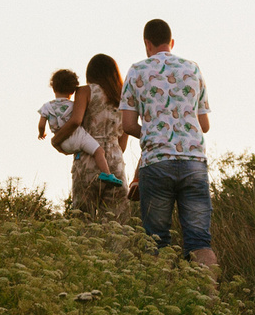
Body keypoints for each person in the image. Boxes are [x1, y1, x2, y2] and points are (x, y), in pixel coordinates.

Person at [119, 18, 215, 269]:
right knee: (199, 241)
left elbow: (127, 125)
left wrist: (154, 133)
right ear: (171, 43)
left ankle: (166, 299)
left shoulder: (137, 70)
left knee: (157, 242)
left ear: (147, 44)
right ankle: (209, 301)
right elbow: (203, 125)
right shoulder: (193, 69)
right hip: (194, 162)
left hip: (157, 164)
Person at [55, 53, 131, 221]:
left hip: (87, 160)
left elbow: (75, 121)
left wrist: (56, 140)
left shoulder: (85, 91)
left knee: (83, 218)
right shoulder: (123, 97)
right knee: (116, 223)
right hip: (115, 162)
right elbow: (123, 142)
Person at [37, 67, 120, 183]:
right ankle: (107, 174)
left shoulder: (47, 106)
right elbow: (78, 120)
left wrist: (42, 133)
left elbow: (41, 124)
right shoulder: (74, 105)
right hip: (78, 137)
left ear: (53, 87)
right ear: (72, 91)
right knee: (98, 151)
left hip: (63, 142)